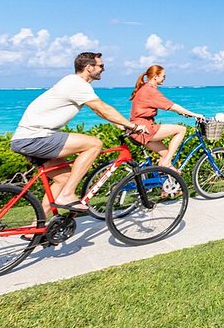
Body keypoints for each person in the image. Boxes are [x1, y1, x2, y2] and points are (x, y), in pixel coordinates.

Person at [10, 52, 146, 215]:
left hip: (27, 138)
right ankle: (67, 195)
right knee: (94, 144)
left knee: (63, 179)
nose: (103, 69)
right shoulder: (77, 84)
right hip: (36, 137)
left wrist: (121, 125)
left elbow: (99, 111)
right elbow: (102, 108)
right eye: (101, 66)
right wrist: (133, 126)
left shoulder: (73, 83)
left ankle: (38, 226)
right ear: (89, 67)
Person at [129, 65, 205, 169]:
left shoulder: (145, 88)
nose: (165, 78)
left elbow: (167, 106)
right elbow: (172, 106)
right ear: (156, 77)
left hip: (136, 130)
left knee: (165, 154)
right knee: (181, 129)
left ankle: (164, 177)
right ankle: (167, 163)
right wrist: (195, 114)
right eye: (163, 76)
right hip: (144, 129)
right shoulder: (150, 91)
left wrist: (182, 112)